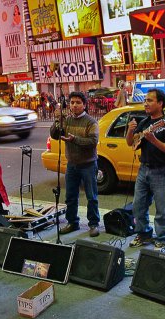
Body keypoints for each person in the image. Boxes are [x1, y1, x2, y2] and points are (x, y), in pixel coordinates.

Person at [126, 88, 165, 250]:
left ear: (160, 103)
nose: (146, 103)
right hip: (144, 169)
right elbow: (131, 143)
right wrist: (130, 130)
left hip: (162, 171)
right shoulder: (144, 122)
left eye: (150, 100)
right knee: (138, 205)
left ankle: (161, 237)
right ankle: (143, 234)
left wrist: (154, 140)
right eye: (145, 100)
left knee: (162, 209)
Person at [50, 91, 101, 237]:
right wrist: (57, 120)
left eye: (78, 102)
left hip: (88, 164)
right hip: (71, 164)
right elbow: (55, 135)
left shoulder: (91, 122)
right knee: (71, 196)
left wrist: (74, 140)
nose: (74, 105)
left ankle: (93, 224)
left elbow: (93, 142)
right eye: (72, 102)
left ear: (84, 105)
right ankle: (72, 222)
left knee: (92, 196)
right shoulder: (66, 120)